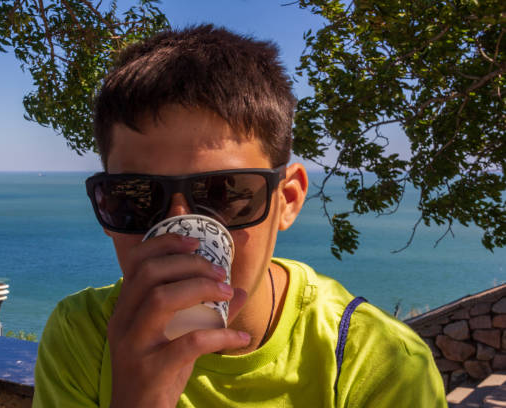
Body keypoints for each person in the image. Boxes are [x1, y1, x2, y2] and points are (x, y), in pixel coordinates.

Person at [32, 25, 447, 407]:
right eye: (135, 198)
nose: (181, 235)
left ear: (286, 199)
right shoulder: (84, 336)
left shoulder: (375, 362)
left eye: (224, 193)